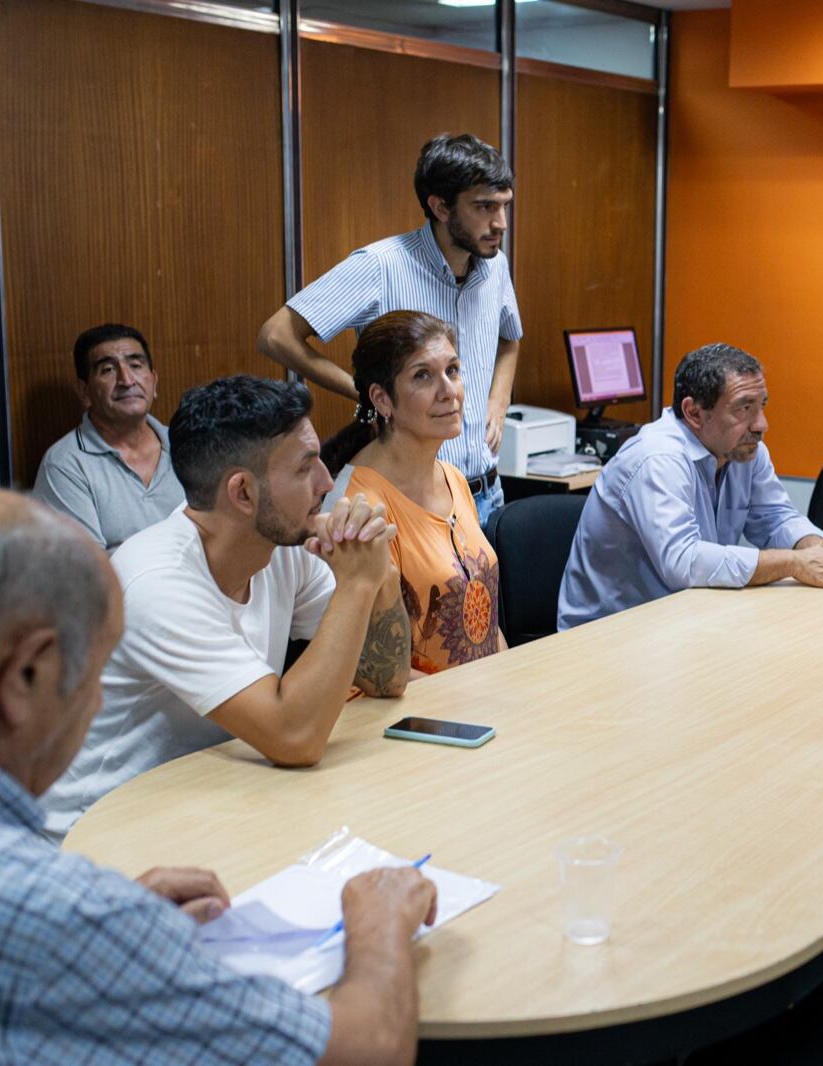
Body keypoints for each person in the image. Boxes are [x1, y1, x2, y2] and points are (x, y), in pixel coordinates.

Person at [0, 489, 436, 1064]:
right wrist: (379, 924)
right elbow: (366, 1049)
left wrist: (99, 921)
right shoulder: (52, 911)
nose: (98, 699)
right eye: (97, 670)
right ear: (26, 675)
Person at [41, 376, 410, 838]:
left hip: (208, 800)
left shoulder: (283, 542)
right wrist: (357, 586)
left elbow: (388, 678)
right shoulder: (157, 581)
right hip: (99, 831)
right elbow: (295, 738)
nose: (327, 482)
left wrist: (383, 577)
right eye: (305, 467)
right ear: (242, 493)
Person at [258, 133, 520, 524]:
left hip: (485, 491)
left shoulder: (494, 263)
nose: (500, 223)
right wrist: (366, 392)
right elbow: (276, 335)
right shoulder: (380, 266)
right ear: (440, 207)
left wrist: (498, 401)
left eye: (504, 206)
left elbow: (510, 337)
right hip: (412, 499)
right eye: (485, 207)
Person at [557, 342, 823, 630]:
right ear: (693, 413)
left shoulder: (743, 449)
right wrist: (794, 563)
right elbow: (683, 561)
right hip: (611, 637)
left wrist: (817, 550)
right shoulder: (657, 459)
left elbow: (776, 518)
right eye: (743, 409)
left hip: (684, 621)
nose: (761, 424)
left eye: (761, 406)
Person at [320, 311, 506, 674]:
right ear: (383, 400)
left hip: (480, 701)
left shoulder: (452, 477)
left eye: (452, 370)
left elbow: (488, 625)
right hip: (409, 718)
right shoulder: (357, 507)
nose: (449, 390)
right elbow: (365, 665)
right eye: (423, 376)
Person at [34, 323, 185, 551]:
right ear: (84, 392)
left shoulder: (187, 443)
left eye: (136, 365)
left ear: (154, 381)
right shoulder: (65, 464)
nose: (127, 380)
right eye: (108, 370)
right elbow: (89, 571)